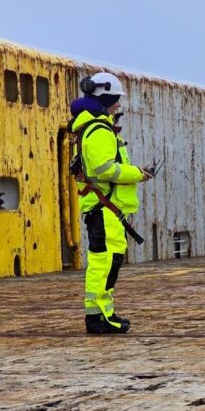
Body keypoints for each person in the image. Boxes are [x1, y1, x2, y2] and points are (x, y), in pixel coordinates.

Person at [68, 72, 153, 334]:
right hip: (105, 208)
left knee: (104, 262)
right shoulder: (100, 129)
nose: (118, 105)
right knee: (106, 263)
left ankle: (101, 314)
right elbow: (105, 170)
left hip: (102, 208)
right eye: (116, 100)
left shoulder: (90, 126)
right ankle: (99, 317)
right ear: (106, 99)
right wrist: (138, 173)